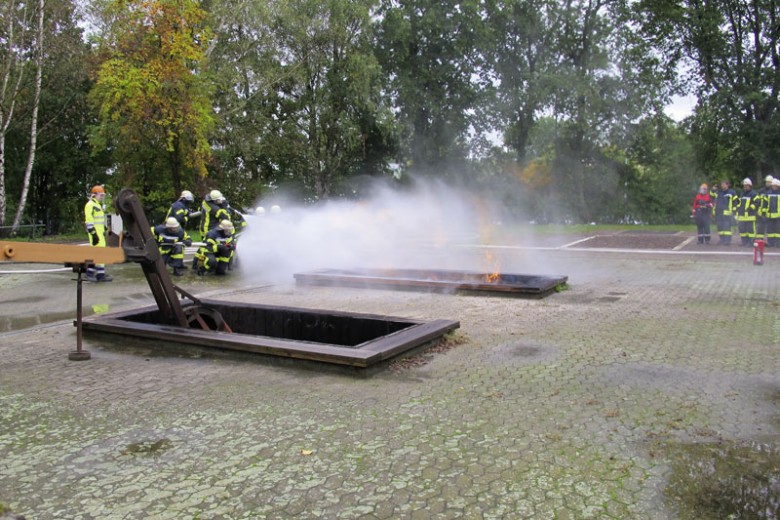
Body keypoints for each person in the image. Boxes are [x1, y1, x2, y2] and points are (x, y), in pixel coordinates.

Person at [84, 185, 113, 282]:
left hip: (100, 233)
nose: (102, 197)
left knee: (101, 254)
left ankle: (100, 274)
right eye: (101, 195)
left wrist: (104, 228)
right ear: (94, 195)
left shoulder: (97, 205)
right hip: (95, 234)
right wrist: (93, 234)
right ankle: (89, 274)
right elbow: (89, 221)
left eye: (103, 195)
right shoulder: (90, 205)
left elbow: (99, 220)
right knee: (95, 254)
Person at [735, 178, 759, 246]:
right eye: (744, 186)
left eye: (746, 186)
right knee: (742, 230)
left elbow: (757, 203)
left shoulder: (754, 194)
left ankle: (751, 242)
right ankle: (744, 242)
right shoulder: (742, 194)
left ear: (750, 186)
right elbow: (739, 204)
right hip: (742, 216)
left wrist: (750, 208)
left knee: (750, 230)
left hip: (750, 216)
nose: (745, 187)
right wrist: (737, 211)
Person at [713, 180, 737, 245]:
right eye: (722, 184)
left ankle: (727, 241)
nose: (722, 185)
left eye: (724, 184)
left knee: (727, 228)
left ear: (727, 185)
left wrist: (734, 211)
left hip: (727, 213)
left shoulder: (732, 192)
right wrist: (713, 190)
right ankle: (722, 239)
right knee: (720, 227)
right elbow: (711, 196)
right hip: (718, 213)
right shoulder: (718, 192)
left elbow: (735, 202)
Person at [761, 178, 780, 247]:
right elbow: (764, 204)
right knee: (770, 230)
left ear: (778, 186)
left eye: (775, 185)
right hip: (769, 215)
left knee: (778, 230)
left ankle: (778, 243)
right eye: (773, 185)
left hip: (779, 216)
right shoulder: (767, 194)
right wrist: (763, 213)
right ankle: (771, 242)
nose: (773, 187)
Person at [756, 175, 774, 239]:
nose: (768, 183)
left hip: (770, 212)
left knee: (771, 227)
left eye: (769, 182)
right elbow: (758, 201)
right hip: (761, 212)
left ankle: (771, 240)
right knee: (760, 227)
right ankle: (760, 240)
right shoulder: (761, 191)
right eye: (767, 182)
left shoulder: (773, 192)